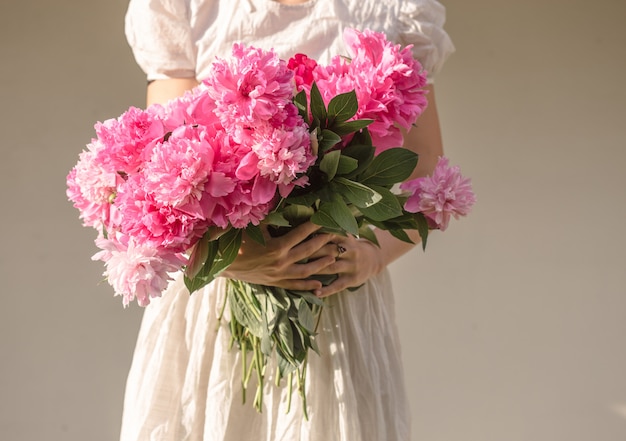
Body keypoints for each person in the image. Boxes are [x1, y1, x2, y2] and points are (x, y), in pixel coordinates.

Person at [120, 0, 454, 440]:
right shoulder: (185, 7)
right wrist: (237, 260)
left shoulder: (397, 10)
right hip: (216, 299)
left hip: (335, 297)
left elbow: (428, 172)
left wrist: (373, 255)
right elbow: (163, 168)